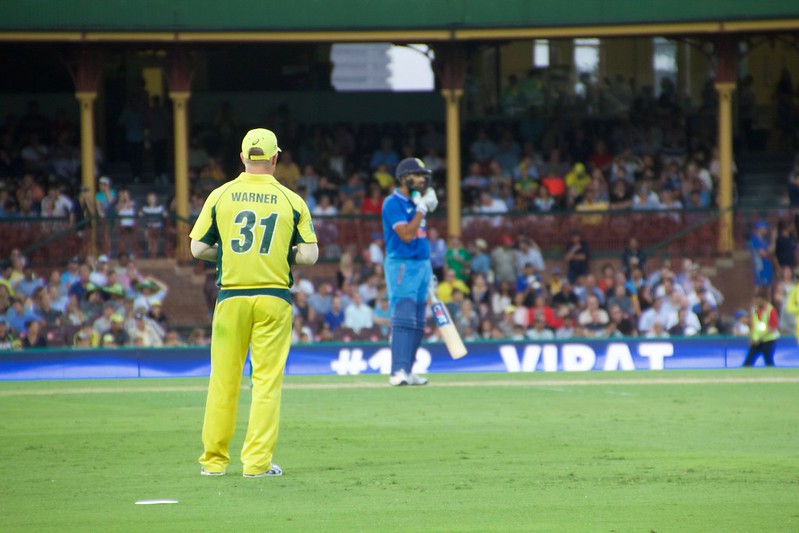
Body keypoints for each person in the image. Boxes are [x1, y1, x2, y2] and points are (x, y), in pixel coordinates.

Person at [189, 128, 318, 478]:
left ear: (243, 157)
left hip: (231, 297)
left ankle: (214, 463)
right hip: (274, 299)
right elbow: (309, 254)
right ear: (276, 158)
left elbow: (197, 248)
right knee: (265, 384)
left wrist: (227, 253)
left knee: (223, 381)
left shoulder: (220, 195)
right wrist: (282, 252)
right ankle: (257, 464)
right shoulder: (293, 200)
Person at [382, 157, 438, 386]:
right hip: (402, 264)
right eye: (418, 174)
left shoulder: (416, 202)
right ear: (404, 178)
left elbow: (421, 237)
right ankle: (397, 372)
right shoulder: (392, 203)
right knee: (404, 317)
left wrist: (429, 270)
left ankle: (408, 370)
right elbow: (406, 235)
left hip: (421, 264)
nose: (423, 179)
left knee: (417, 321)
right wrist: (422, 209)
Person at [743, 291, 779, 367]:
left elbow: (772, 327)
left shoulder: (770, 310)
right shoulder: (754, 310)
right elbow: (753, 325)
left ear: (764, 300)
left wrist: (759, 338)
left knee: (769, 361)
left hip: (768, 340)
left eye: (758, 301)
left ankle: (773, 377)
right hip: (756, 340)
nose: (756, 303)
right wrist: (752, 338)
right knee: (747, 363)